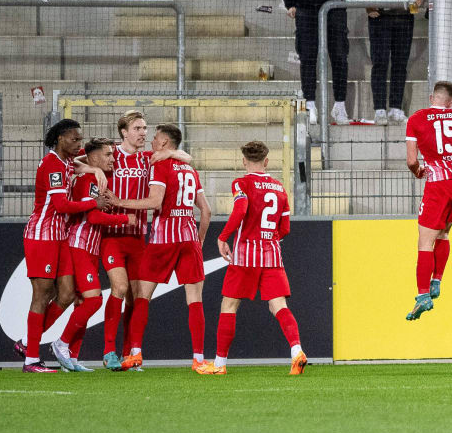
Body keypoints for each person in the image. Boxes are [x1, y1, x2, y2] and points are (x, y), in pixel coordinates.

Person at [110, 124, 212, 372]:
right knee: (195, 300)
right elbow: (207, 211)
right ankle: (198, 359)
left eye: (155, 137)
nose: (152, 141)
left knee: (142, 296)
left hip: (163, 238)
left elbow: (155, 202)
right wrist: (199, 240)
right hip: (189, 236)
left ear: (165, 142)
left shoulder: (161, 165)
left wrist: (119, 202)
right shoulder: (189, 168)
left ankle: (135, 354)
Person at [199, 141, 307, 376]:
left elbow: (240, 210)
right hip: (272, 255)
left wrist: (223, 237)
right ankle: (296, 351)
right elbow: (285, 228)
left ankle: (219, 364)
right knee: (279, 305)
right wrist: (270, 238)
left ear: (244, 161)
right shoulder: (279, 188)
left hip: (245, 255)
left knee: (229, 306)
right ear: (266, 162)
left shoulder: (241, 182)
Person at [96, 110, 191, 369]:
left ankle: (130, 353)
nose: (143, 133)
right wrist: (90, 170)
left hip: (138, 237)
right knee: (120, 287)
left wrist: (170, 152)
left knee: (137, 297)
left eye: (145, 128)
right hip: (113, 236)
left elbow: (188, 157)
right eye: (138, 128)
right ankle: (108, 352)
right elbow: (80, 161)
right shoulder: (110, 154)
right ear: (124, 132)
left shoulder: (148, 159)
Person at [18, 120, 105, 373]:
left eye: (80, 139)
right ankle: (31, 359)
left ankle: (27, 343)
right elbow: (61, 206)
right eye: (74, 139)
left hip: (60, 236)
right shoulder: (53, 164)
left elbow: (92, 152)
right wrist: (93, 204)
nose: (79, 144)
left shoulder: (67, 159)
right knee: (42, 294)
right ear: (60, 139)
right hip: (43, 234)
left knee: (67, 293)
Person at [48, 139, 134, 373]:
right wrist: (124, 219)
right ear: (93, 158)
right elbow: (93, 218)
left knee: (82, 302)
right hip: (80, 245)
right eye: (108, 155)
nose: (112, 159)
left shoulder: (96, 178)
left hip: (90, 248)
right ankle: (60, 343)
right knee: (94, 300)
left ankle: (71, 357)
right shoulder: (89, 180)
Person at [404, 81, 452, 320]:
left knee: (425, 242)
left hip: (439, 183)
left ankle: (423, 295)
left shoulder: (417, 118)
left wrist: (418, 172)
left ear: (432, 97)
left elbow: (412, 160)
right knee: (443, 234)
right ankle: (437, 281)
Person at [282, 0, 368, 125]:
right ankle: (310, 105)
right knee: (307, 57)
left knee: (339, 56)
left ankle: (339, 106)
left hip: (334, 10)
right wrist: (290, 4)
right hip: (306, 11)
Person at [354, 0, 427, 125]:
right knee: (379, 63)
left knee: (400, 64)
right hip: (380, 16)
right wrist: (366, 1)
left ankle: (396, 108)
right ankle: (379, 109)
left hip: (404, 16)